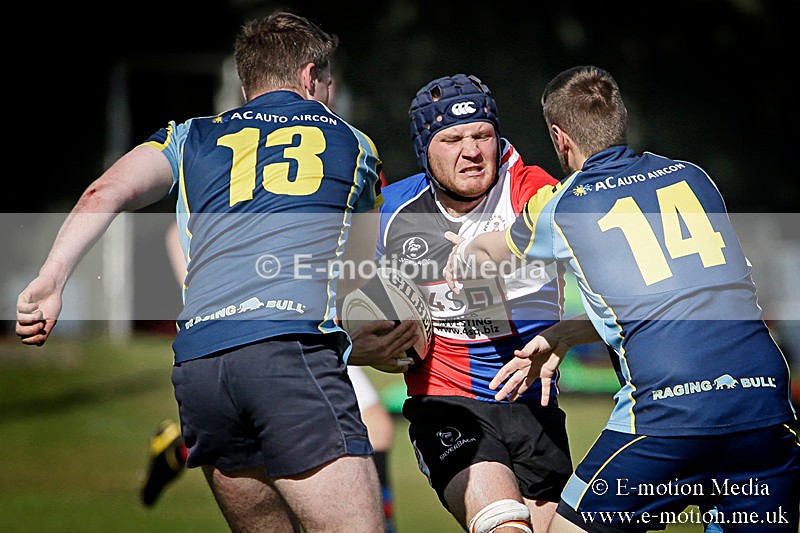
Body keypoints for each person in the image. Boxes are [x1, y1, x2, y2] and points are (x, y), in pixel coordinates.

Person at [16, 11, 388, 532]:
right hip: (290, 352)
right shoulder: (356, 145)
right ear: (310, 77)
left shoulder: (188, 136)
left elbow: (105, 192)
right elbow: (361, 272)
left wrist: (52, 278)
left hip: (202, 366)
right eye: (329, 81)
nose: (331, 91)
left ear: (245, 82)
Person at [446, 65, 800, 532]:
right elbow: (680, 298)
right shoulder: (694, 177)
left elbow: (494, 250)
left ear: (560, 137)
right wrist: (568, 334)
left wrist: (462, 251)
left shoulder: (564, 205)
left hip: (670, 410)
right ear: (622, 118)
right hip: (765, 405)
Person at [377, 73, 574, 533]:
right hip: (448, 405)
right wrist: (362, 341)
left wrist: (492, 248)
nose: (472, 150)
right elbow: (343, 300)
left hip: (535, 406)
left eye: (483, 134)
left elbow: (561, 214)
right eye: (453, 138)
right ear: (424, 147)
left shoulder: (527, 186)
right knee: (505, 527)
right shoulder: (390, 212)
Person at [141, 222, 401, 533]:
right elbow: (179, 231)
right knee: (369, 426)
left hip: (312, 327)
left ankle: (179, 447)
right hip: (284, 335)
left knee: (374, 425)